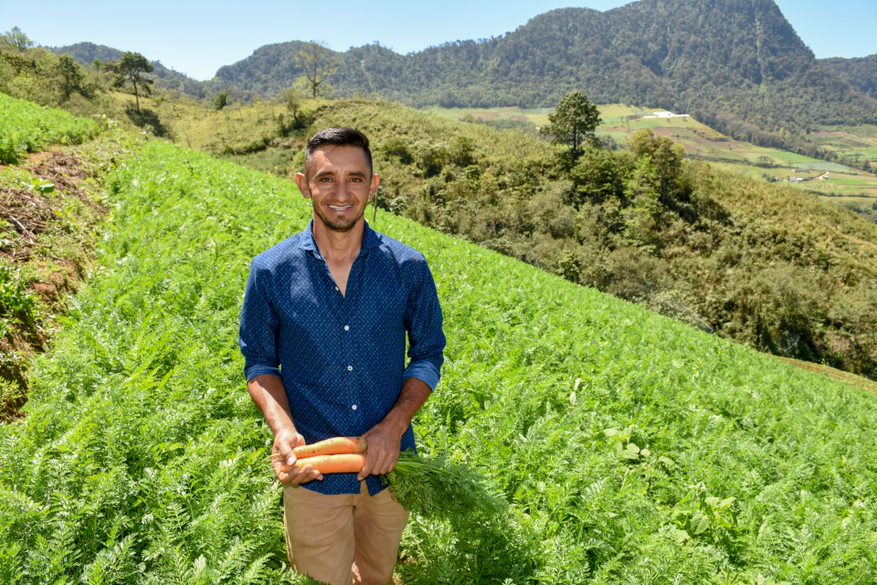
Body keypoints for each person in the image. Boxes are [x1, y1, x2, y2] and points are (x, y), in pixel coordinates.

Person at [239, 127, 445, 585]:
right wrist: (284, 429)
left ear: (373, 186)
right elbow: (260, 364)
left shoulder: (408, 268)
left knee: (377, 575)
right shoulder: (271, 271)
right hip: (313, 469)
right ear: (303, 184)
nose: (341, 193)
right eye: (326, 178)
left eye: (355, 179)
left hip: (391, 471)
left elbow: (429, 354)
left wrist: (393, 428)